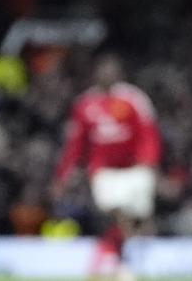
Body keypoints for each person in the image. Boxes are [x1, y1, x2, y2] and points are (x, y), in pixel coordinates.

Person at [53, 55, 161, 280]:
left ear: (119, 74)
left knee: (138, 218)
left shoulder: (133, 99)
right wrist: (64, 175)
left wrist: (149, 163)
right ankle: (119, 261)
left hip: (134, 170)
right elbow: (76, 144)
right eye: (103, 70)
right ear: (95, 74)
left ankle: (121, 261)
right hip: (104, 172)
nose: (107, 74)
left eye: (111, 70)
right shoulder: (85, 104)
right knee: (114, 212)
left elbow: (148, 132)